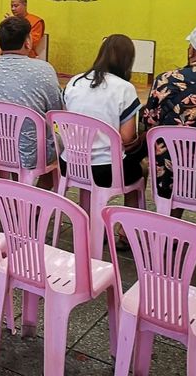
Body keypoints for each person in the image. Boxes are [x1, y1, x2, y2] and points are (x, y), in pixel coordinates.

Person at [64, 35, 147, 241]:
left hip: (71, 164)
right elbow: (127, 137)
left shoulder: (74, 81)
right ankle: (126, 232)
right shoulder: (125, 88)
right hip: (105, 170)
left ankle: (87, 220)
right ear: (128, 60)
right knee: (141, 168)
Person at [0, 16, 62, 185]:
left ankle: (17, 191)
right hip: (32, 153)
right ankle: (37, 203)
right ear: (28, 42)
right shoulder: (44, 70)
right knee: (62, 145)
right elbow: (56, 111)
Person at [143, 22, 196, 209]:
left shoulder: (164, 80)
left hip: (169, 176)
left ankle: (171, 229)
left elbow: (149, 124)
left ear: (191, 50)